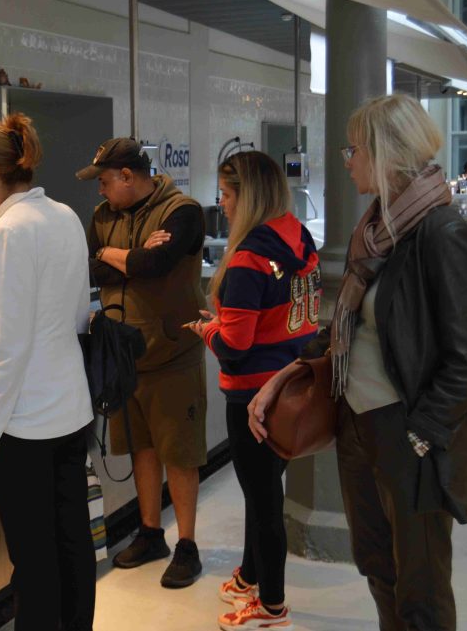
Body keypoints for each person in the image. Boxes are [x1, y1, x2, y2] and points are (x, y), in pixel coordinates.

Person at [250, 94, 467, 631]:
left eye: (354, 149)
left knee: (422, 589)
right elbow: (355, 329)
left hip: (410, 432)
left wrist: (421, 433)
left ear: (386, 153)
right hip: (359, 425)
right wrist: (285, 378)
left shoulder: (441, 232)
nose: (348, 160)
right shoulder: (376, 230)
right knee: (379, 568)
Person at [0, 112, 95, 631]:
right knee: (73, 546)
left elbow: (8, 344)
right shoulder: (64, 216)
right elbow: (78, 316)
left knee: (34, 563)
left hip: (24, 426)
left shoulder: (9, 231)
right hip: (71, 412)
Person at [187, 151, 320, 630]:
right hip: (290, 386)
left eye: (225, 194)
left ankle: (272, 606)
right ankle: (249, 574)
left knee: (264, 503)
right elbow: (286, 319)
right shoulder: (299, 238)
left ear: (248, 196)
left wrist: (207, 330)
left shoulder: (246, 261)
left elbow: (235, 347)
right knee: (262, 489)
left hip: (253, 400)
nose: (220, 204)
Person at [79, 137, 208, 588]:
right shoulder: (102, 217)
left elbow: (157, 264)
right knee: (142, 449)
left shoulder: (183, 211)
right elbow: (89, 268)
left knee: (180, 452)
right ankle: (151, 532)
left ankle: (187, 545)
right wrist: (127, 259)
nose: (100, 191)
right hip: (124, 353)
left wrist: (119, 257)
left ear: (129, 177)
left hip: (172, 351)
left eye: (105, 181)